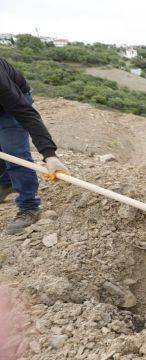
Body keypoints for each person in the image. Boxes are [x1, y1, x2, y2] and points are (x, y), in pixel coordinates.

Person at [0, 58, 69, 235]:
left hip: (12, 106)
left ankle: (29, 207)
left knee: (14, 153)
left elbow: (26, 114)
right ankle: (6, 183)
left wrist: (50, 155)